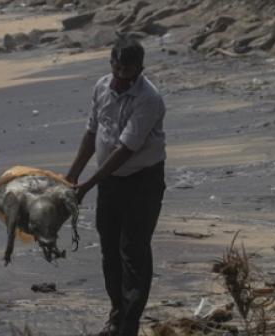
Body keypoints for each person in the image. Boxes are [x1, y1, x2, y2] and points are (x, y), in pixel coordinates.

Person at [66, 37, 166, 336]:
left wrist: (87, 185)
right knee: (109, 250)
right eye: (118, 69)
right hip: (108, 182)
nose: (123, 78)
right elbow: (91, 132)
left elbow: (125, 149)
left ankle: (129, 325)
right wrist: (71, 176)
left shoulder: (149, 98)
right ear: (111, 64)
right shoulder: (101, 87)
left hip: (141, 182)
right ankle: (117, 312)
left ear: (140, 69)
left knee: (133, 251)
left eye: (130, 72)